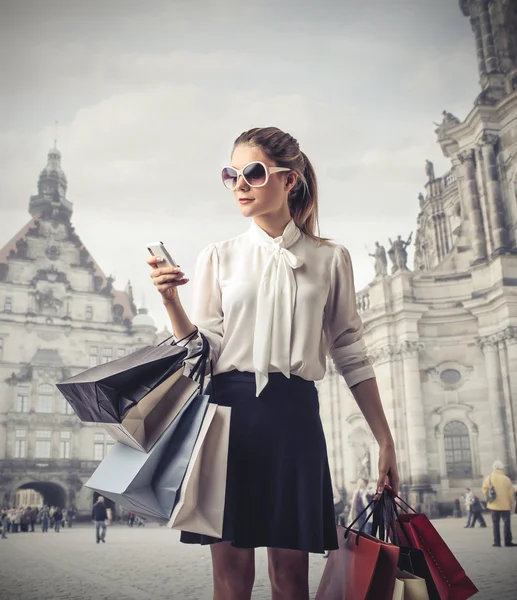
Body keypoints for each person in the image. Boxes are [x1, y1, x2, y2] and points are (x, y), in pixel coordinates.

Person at [147, 126, 399, 600]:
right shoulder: (218, 256)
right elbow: (202, 351)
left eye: (253, 173)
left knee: (290, 579)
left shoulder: (331, 259)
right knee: (231, 579)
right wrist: (170, 303)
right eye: (231, 174)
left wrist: (384, 438)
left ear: (290, 179)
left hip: (294, 417)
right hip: (228, 418)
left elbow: (351, 353)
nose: (239, 184)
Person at [482, 460, 516, 547]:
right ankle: (508, 541)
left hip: (493, 505)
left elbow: (484, 490)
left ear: (493, 468)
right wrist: (511, 503)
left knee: (495, 524)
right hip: (505, 505)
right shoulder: (506, 479)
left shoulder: (488, 478)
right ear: (502, 468)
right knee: (506, 523)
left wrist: (489, 499)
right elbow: (511, 493)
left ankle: (497, 542)